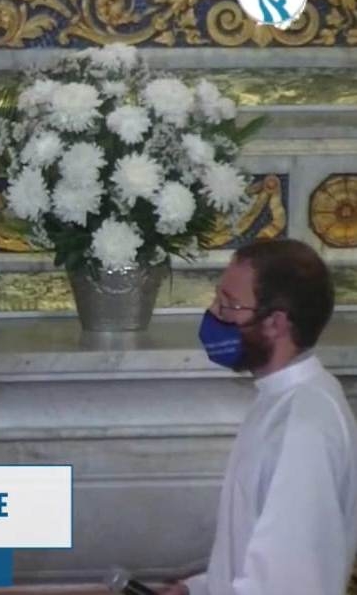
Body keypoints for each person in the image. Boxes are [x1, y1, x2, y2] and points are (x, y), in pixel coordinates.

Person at [161, 239, 357, 595]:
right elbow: (255, 549)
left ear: (275, 323)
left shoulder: (303, 425)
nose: (215, 314)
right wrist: (198, 588)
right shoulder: (283, 398)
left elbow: (289, 579)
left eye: (229, 305)